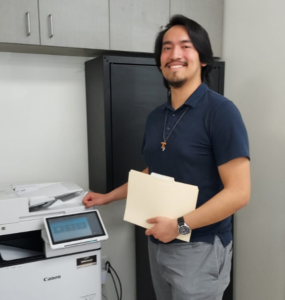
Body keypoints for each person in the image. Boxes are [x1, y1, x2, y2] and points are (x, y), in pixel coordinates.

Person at [83, 15, 250, 300]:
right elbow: (154, 172)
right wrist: (106, 197)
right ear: (160, 61)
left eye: (186, 46)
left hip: (202, 247)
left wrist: (180, 225)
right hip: (159, 241)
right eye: (166, 47)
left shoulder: (221, 112)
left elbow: (238, 193)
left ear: (203, 58)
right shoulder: (156, 117)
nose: (175, 54)